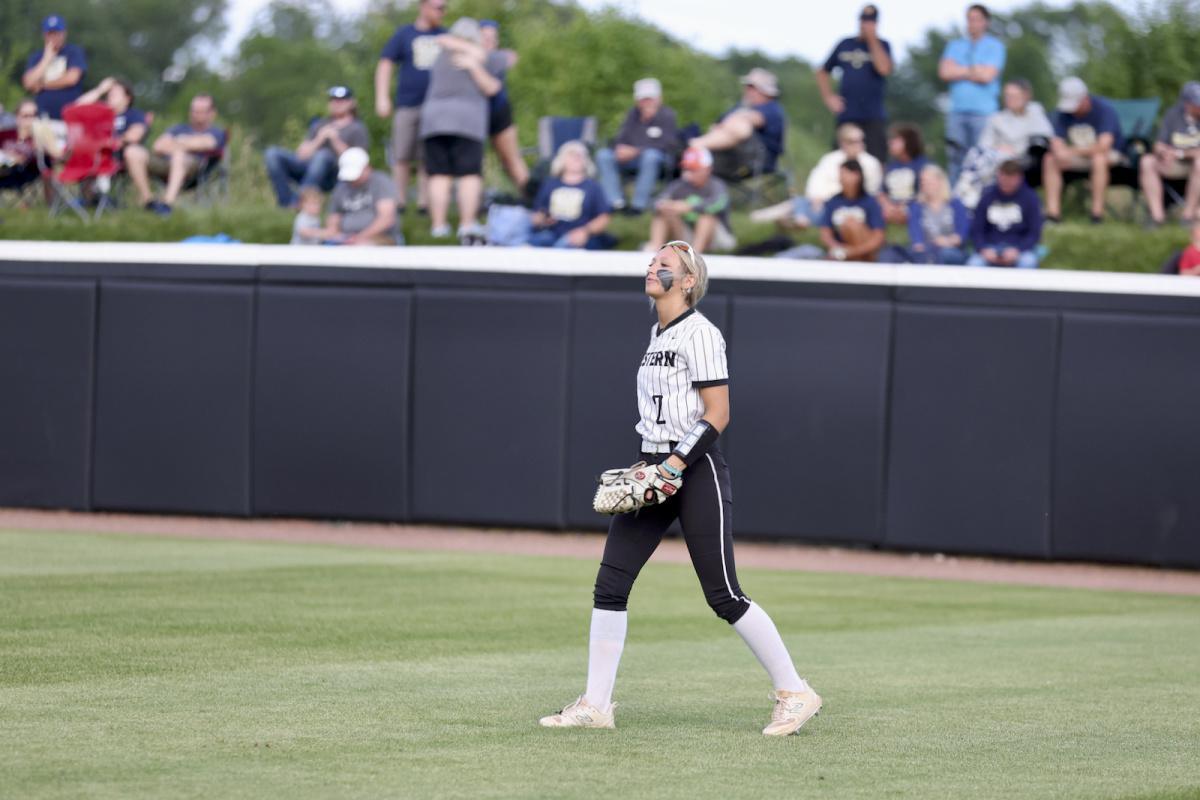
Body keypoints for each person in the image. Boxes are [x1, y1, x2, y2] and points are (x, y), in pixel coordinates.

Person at [538, 240, 822, 736]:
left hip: (694, 468)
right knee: (611, 584)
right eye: (651, 262)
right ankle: (595, 705)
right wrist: (651, 463)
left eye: (664, 265)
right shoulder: (657, 332)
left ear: (688, 281)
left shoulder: (701, 333)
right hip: (655, 464)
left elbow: (719, 413)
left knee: (724, 593)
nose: (652, 268)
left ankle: (795, 691)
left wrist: (673, 463)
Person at [419, 17, 503, 244]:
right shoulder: (480, 56)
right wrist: (475, 64)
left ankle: (438, 226)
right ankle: (466, 223)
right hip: (467, 121)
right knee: (468, 175)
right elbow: (493, 87)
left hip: (433, 121)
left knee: (438, 175)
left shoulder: (439, 56)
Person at [375, 0, 447, 214]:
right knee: (402, 154)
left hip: (436, 106)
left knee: (428, 156)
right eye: (437, 7)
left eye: (444, 7)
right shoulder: (404, 34)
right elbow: (385, 63)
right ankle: (400, 201)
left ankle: (424, 204)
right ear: (423, 7)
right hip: (407, 104)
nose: (441, 12)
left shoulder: (445, 36)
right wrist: (382, 97)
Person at [264, 86, 370, 209]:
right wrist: (319, 139)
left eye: (342, 100)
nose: (337, 103)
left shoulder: (357, 128)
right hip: (310, 168)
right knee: (272, 153)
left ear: (351, 103)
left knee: (323, 155)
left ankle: (301, 201)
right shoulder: (320, 124)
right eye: (333, 100)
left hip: (335, 175)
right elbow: (301, 155)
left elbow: (358, 161)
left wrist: (335, 140)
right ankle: (287, 203)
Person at [955, 78, 1053, 208]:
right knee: (976, 155)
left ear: (1026, 96)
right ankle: (965, 198)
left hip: (1024, 161)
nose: (1009, 99)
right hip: (995, 158)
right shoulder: (997, 119)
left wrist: (1014, 152)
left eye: (1014, 96)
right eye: (1007, 96)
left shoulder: (1036, 115)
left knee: (985, 164)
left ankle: (965, 199)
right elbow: (983, 146)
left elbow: (1042, 143)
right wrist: (998, 149)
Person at [125, 94, 227, 216]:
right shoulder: (178, 128)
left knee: (179, 155)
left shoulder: (216, 131)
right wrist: (186, 142)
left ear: (212, 113)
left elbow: (207, 143)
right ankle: (149, 201)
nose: (196, 115)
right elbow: (158, 146)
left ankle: (167, 204)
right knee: (132, 152)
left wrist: (176, 143)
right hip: (165, 164)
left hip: (194, 168)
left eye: (201, 111)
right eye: (194, 111)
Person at [1042, 76, 1124, 225]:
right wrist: (1059, 152)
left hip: (1110, 155)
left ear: (1085, 98)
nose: (1071, 110)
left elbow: (1103, 146)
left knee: (1098, 159)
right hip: (1080, 157)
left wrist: (1070, 152)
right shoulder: (1063, 114)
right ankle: (1053, 215)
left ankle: (1096, 215)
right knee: (1050, 159)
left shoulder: (1104, 109)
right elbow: (1056, 142)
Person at [938, 4, 1006, 183]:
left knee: (983, 159)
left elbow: (987, 76)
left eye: (976, 19)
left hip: (983, 113)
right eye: (969, 19)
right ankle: (957, 204)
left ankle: (982, 202)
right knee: (955, 159)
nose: (971, 23)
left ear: (986, 22)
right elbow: (945, 72)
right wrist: (974, 70)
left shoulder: (994, 46)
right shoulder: (955, 45)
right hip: (957, 111)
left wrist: (959, 70)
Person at [816, 5, 893, 163]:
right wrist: (828, 97)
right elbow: (822, 71)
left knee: (876, 159)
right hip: (847, 114)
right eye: (864, 20)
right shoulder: (845, 44)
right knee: (841, 159)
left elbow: (884, 69)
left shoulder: (883, 45)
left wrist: (872, 39)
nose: (866, 24)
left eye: (870, 21)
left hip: (873, 115)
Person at [595, 78, 679, 214]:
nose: (646, 103)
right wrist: (619, 149)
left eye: (650, 99)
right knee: (603, 155)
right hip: (629, 159)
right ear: (637, 100)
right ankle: (616, 202)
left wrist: (636, 151)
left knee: (651, 156)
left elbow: (668, 144)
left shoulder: (667, 115)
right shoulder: (632, 115)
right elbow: (620, 139)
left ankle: (638, 205)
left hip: (656, 159)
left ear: (659, 99)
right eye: (643, 99)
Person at [779, 123, 882, 229]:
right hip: (823, 201)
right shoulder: (830, 159)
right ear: (843, 143)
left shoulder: (871, 163)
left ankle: (800, 221)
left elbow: (871, 190)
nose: (858, 145)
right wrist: (816, 198)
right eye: (853, 141)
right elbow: (816, 180)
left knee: (825, 213)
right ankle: (800, 219)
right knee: (800, 201)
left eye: (860, 141)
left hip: (849, 204)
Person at [779, 159, 886, 262]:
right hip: (840, 253)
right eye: (840, 174)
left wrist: (853, 251)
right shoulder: (834, 202)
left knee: (850, 223)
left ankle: (858, 260)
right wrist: (838, 249)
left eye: (844, 173)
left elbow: (878, 237)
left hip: (865, 253)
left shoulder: (870, 202)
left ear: (856, 175)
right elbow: (825, 233)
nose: (840, 178)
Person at [690, 68, 786, 182]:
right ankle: (696, 151)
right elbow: (715, 126)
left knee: (741, 125)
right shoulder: (741, 106)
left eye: (751, 87)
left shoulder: (772, 109)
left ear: (765, 91)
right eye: (747, 86)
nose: (747, 90)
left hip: (758, 159)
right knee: (699, 161)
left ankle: (695, 146)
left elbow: (752, 120)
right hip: (728, 155)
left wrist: (727, 125)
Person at [648, 146, 735, 253]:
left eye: (693, 169)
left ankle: (695, 255)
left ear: (707, 169)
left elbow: (718, 204)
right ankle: (654, 248)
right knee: (664, 213)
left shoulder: (717, 185)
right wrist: (665, 205)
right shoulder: (680, 184)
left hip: (718, 237)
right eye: (687, 169)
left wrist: (689, 207)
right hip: (688, 235)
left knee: (707, 217)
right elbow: (657, 202)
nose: (687, 173)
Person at [530, 140, 613, 249]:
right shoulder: (550, 184)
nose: (577, 157)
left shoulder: (593, 187)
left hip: (580, 236)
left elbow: (604, 217)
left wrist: (585, 231)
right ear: (562, 160)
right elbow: (537, 213)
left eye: (580, 155)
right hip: (552, 233)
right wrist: (541, 220)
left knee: (568, 244)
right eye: (572, 154)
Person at [312, 147, 402, 246]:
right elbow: (333, 219)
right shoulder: (341, 188)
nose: (352, 180)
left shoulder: (381, 182)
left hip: (380, 238)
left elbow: (387, 219)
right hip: (347, 239)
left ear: (367, 168)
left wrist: (360, 237)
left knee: (361, 248)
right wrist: (335, 235)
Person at [1140, 81, 1200, 227]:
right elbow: (1159, 143)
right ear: (1187, 104)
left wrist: (1179, 153)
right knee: (1147, 161)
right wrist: (1163, 151)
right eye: (1196, 104)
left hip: (1195, 166)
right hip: (1174, 165)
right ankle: (1157, 217)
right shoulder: (1173, 114)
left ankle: (1188, 216)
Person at [480, 20, 528, 194]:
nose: (489, 42)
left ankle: (530, 198)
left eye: (493, 39)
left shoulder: (497, 57)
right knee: (475, 161)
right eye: (485, 37)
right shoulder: (470, 57)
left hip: (498, 112)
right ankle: (477, 203)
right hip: (475, 114)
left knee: (511, 159)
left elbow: (512, 58)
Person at [968, 159, 1042, 268]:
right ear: (998, 175)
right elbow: (977, 229)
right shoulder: (987, 196)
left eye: (1010, 179)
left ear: (1019, 178)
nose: (1006, 182)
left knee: (1028, 262)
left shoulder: (1030, 198)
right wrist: (983, 249)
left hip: (1018, 249)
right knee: (974, 264)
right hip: (990, 247)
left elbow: (1034, 233)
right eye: (1003, 178)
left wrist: (1018, 250)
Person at [22, 15, 86, 121]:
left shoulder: (73, 52)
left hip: (70, 116)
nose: (53, 37)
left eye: (57, 33)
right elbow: (28, 83)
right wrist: (46, 60)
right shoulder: (37, 57)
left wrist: (42, 84)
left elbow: (72, 78)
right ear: (44, 35)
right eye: (50, 34)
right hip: (43, 116)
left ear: (64, 34)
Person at [906, 164, 971, 264]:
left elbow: (961, 235)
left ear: (940, 181)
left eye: (928, 181)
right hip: (926, 252)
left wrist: (946, 241)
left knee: (945, 254)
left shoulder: (955, 204)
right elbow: (916, 237)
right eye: (923, 182)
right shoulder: (917, 206)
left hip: (952, 251)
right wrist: (925, 246)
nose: (924, 185)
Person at [0, 99, 63, 193]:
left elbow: (54, 156)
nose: (30, 119)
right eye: (26, 116)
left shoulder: (42, 136)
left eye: (34, 115)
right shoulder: (6, 133)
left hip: (24, 173)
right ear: (17, 116)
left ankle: (52, 205)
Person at [74, 77, 148, 153]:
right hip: (93, 149)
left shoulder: (135, 115)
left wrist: (112, 142)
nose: (111, 94)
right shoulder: (100, 110)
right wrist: (100, 90)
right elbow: (76, 108)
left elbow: (135, 135)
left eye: (116, 92)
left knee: (133, 152)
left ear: (127, 98)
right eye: (110, 91)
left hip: (118, 153)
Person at [879, 123, 927, 225]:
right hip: (891, 208)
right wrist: (887, 205)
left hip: (913, 208)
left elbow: (925, 193)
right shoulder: (891, 166)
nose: (890, 143)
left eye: (895, 140)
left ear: (907, 142)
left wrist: (906, 206)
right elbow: (881, 192)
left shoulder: (923, 165)